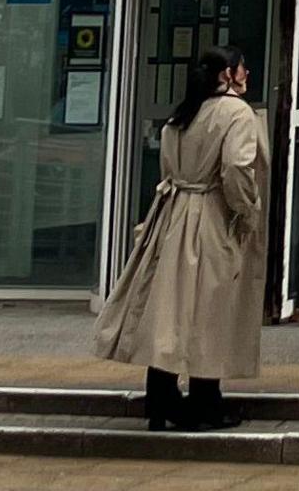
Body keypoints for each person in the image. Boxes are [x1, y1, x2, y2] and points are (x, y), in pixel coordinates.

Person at [94, 49, 268, 432]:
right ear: (228, 73)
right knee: (209, 310)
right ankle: (206, 402)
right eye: (242, 65)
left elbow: (169, 163)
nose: (247, 71)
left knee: (169, 311)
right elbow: (237, 168)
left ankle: (161, 398)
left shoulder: (183, 113)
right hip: (209, 215)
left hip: (172, 214)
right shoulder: (237, 113)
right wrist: (247, 210)